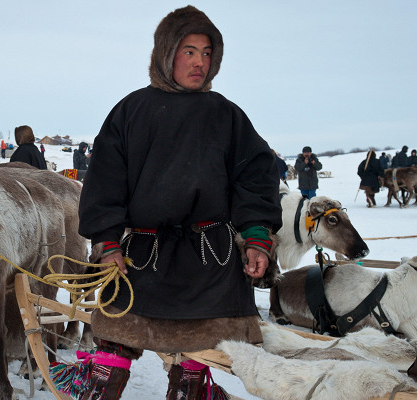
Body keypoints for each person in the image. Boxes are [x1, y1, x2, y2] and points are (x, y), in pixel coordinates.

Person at [77, 6, 282, 399]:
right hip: (141, 256)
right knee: (114, 349)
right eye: (189, 51)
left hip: (210, 259)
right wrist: (105, 244)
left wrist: (257, 237)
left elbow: (255, 177)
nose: (199, 62)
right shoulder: (130, 111)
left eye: (207, 53)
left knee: (197, 360)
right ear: (166, 53)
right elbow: (104, 184)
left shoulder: (226, 114)